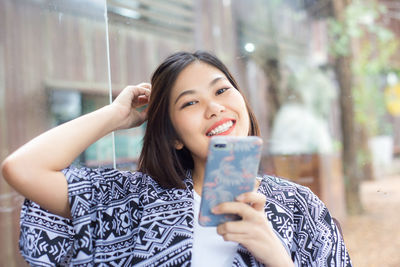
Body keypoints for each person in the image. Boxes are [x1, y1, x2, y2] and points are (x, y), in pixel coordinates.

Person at [1, 51, 352, 267]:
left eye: (221, 90)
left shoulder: (299, 205)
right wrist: (115, 116)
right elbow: (21, 168)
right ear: (173, 137)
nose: (214, 107)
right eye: (190, 103)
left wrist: (276, 257)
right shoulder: (134, 199)